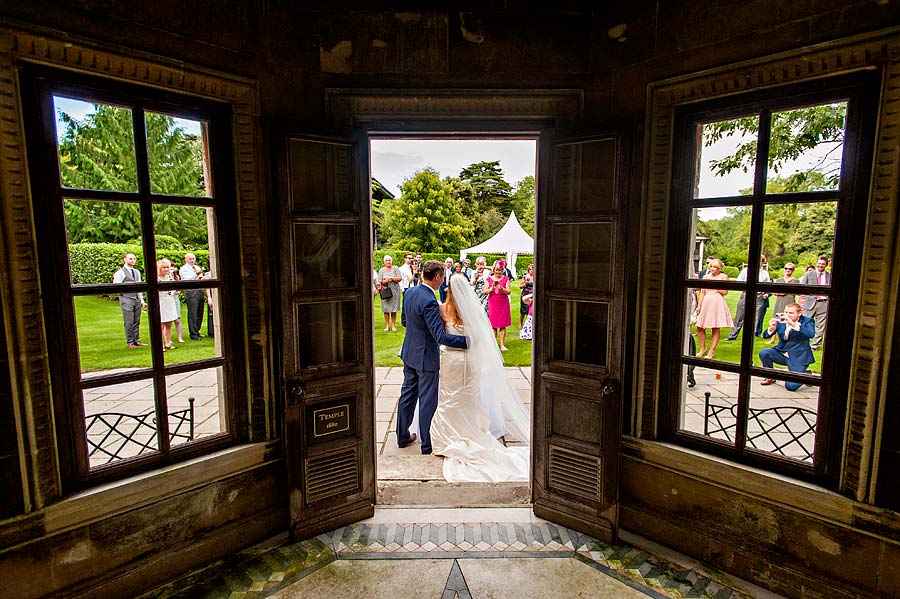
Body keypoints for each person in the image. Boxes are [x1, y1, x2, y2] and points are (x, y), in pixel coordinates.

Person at [430, 274, 530, 482]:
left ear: (449, 289)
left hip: (452, 360)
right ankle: (471, 431)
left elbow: (439, 335)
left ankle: (448, 438)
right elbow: (482, 337)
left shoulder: (442, 309)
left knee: (450, 398)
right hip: (471, 361)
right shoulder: (474, 312)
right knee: (469, 398)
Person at [397, 260, 468, 455]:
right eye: (443, 277)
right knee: (427, 400)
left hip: (409, 352)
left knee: (407, 395)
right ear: (437, 277)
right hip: (425, 357)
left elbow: (404, 321)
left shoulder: (409, 292)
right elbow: (440, 337)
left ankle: (402, 437)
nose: (443, 281)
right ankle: (427, 444)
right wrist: (469, 342)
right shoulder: (429, 300)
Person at [759, 302, 815, 391]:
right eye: (786, 312)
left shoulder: (807, 321)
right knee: (764, 353)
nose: (787, 315)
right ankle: (770, 376)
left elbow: (811, 334)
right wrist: (772, 328)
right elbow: (765, 336)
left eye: (791, 313)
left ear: (799, 313)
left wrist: (794, 324)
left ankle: (807, 375)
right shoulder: (782, 321)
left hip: (798, 357)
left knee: (791, 387)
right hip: (782, 353)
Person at [693, 258, 732, 360]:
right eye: (711, 267)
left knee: (715, 326)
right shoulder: (705, 277)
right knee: (700, 326)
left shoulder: (723, 277)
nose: (713, 269)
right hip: (706, 301)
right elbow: (702, 292)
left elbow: (725, 292)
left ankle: (712, 350)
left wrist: (715, 285)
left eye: (715, 267)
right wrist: (699, 306)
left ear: (719, 268)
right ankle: (703, 348)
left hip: (717, 301)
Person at [726, 256, 772, 341]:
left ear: (763, 262)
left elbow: (768, 285)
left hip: (759, 295)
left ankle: (750, 337)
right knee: (740, 315)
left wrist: (765, 293)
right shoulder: (745, 270)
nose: (758, 263)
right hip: (746, 294)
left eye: (760, 261)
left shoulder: (765, 273)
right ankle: (732, 335)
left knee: (756, 317)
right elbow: (739, 281)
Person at [113, 253, 147, 348]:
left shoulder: (136, 272)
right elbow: (116, 287)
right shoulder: (120, 273)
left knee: (137, 320)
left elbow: (139, 286)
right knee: (129, 321)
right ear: (125, 259)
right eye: (130, 258)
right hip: (126, 298)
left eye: (134, 259)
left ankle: (137, 340)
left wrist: (142, 300)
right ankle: (130, 342)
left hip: (136, 298)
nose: (133, 260)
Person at [799, 256, 830, 350]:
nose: (820, 265)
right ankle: (803, 343)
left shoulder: (829, 276)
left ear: (826, 265)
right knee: (805, 323)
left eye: (823, 264)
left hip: (823, 303)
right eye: (819, 263)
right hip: (810, 302)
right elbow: (803, 287)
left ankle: (815, 345)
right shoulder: (809, 274)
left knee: (820, 326)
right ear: (816, 264)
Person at [484, 259, 512, 351]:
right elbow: (484, 292)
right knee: (493, 325)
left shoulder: (506, 279)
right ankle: (494, 345)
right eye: (496, 270)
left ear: (502, 270)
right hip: (493, 303)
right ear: (493, 270)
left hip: (503, 303)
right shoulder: (489, 279)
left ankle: (502, 345)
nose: (498, 272)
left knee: (503, 325)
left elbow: (509, 292)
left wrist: (503, 289)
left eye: (500, 270)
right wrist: (490, 289)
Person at [179, 253, 205, 340]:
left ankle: (197, 330)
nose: (192, 260)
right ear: (186, 259)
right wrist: (197, 274)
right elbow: (187, 280)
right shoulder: (183, 269)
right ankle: (193, 334)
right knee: (192, 313)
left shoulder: (197, 267)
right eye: (190, 259)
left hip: (199, 290)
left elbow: (200, 277)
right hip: (191, 291)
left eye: (193, 258)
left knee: (200, 312)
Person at [157, 260, 179, 351]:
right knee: (161, 324)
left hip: (170, 301)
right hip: (161, 302)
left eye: (167, 267)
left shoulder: (170, 277)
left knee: (169, 324)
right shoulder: (157, 279)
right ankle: (160, 345)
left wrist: (176, 291)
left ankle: (168, 342)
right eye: (164, 267)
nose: (166, 269)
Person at [377, 255, 402, 332]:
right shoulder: (381, 270)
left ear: (391, 261)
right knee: (386, 308)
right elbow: (380, 281)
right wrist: (385, 281)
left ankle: (393, 325)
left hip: (395, 291)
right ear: (384, 262)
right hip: (385, 291)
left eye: (389, 260)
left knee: (394, 309)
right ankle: (387, 325)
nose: (388, 262)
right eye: (387, 260)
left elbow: (399, 278)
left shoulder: (396, 268)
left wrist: (390, 278)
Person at [165, 259, 185, 343]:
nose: (171, 268)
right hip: (167, 299)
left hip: (175, 298)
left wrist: (178, 291)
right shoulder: (164, 277)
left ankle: (180, 337)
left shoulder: (176, 277)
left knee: (177, 319)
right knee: (167, 321)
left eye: (172, 266)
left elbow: (179, 287)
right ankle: (167, 339)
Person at [519, 263, 534, 327]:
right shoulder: (525, 277)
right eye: (530, 269)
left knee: (530, 310)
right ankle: (520, 323)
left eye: (532, 269)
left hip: (532, 295)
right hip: (525, 294)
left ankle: (530, 323)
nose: (531, 271)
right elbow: (520, 286)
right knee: (523, 310)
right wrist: (525, 284)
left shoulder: (536, 277)